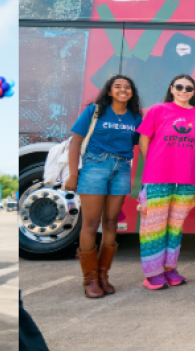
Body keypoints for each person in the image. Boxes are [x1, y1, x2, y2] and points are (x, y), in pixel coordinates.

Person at [64, 75, 143, 298]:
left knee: (111, 223)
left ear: (132, 92)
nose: (123, 89)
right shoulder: (95, 111)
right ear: (109, 91)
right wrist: (72, 174)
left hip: (122, 169)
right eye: (117, 86)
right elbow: (75, 142)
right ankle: (89, 279)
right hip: (94, 167)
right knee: (90, 224)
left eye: (127, 87)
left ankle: (103, 275)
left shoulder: (135, 117)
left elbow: (144, 141)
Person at [136, 74, 195, 290]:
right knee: (153, 227)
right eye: (179, 86)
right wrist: (150, 163)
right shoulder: (158, 110)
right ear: (172, 88)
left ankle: (170, 268)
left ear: (194, 92)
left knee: (175, 227)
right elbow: (143, 139)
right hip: (157, 176)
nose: (183, 90)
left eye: (189, 88)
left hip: (186, 179)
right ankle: (152, 273)